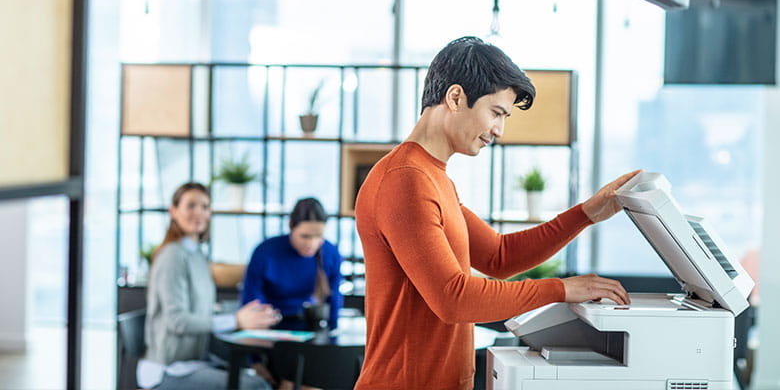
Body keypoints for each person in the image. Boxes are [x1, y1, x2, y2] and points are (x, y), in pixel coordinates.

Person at [353, 36, 638, 390]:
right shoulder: (405, 180)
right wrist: (561, 289)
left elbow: (499, 256)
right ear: (455, 98)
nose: (499, 131)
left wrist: (587, 214)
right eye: (496, 113)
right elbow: (453, 298)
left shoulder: (432, 178)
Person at [139, 182, 277, 390]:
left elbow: (202, 309)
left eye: (205, 206)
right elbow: (177, 321)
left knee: (263, 379)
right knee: (256, 387)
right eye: (191, 206)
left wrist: (246, 315)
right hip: (169, 369)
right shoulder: (173, 256)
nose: (199, 213)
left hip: (196, 362)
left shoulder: (197, 254)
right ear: (173, 211)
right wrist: (235, 320)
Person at [241, 197, 343, 331]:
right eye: (305, 236)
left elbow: (334, 299)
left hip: (311, 326)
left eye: (318, 236)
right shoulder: (265, 251)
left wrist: (332, 333)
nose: (311, 244)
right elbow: (251, 299)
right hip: (268, 326)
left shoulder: (331, 253)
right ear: (291, 226)